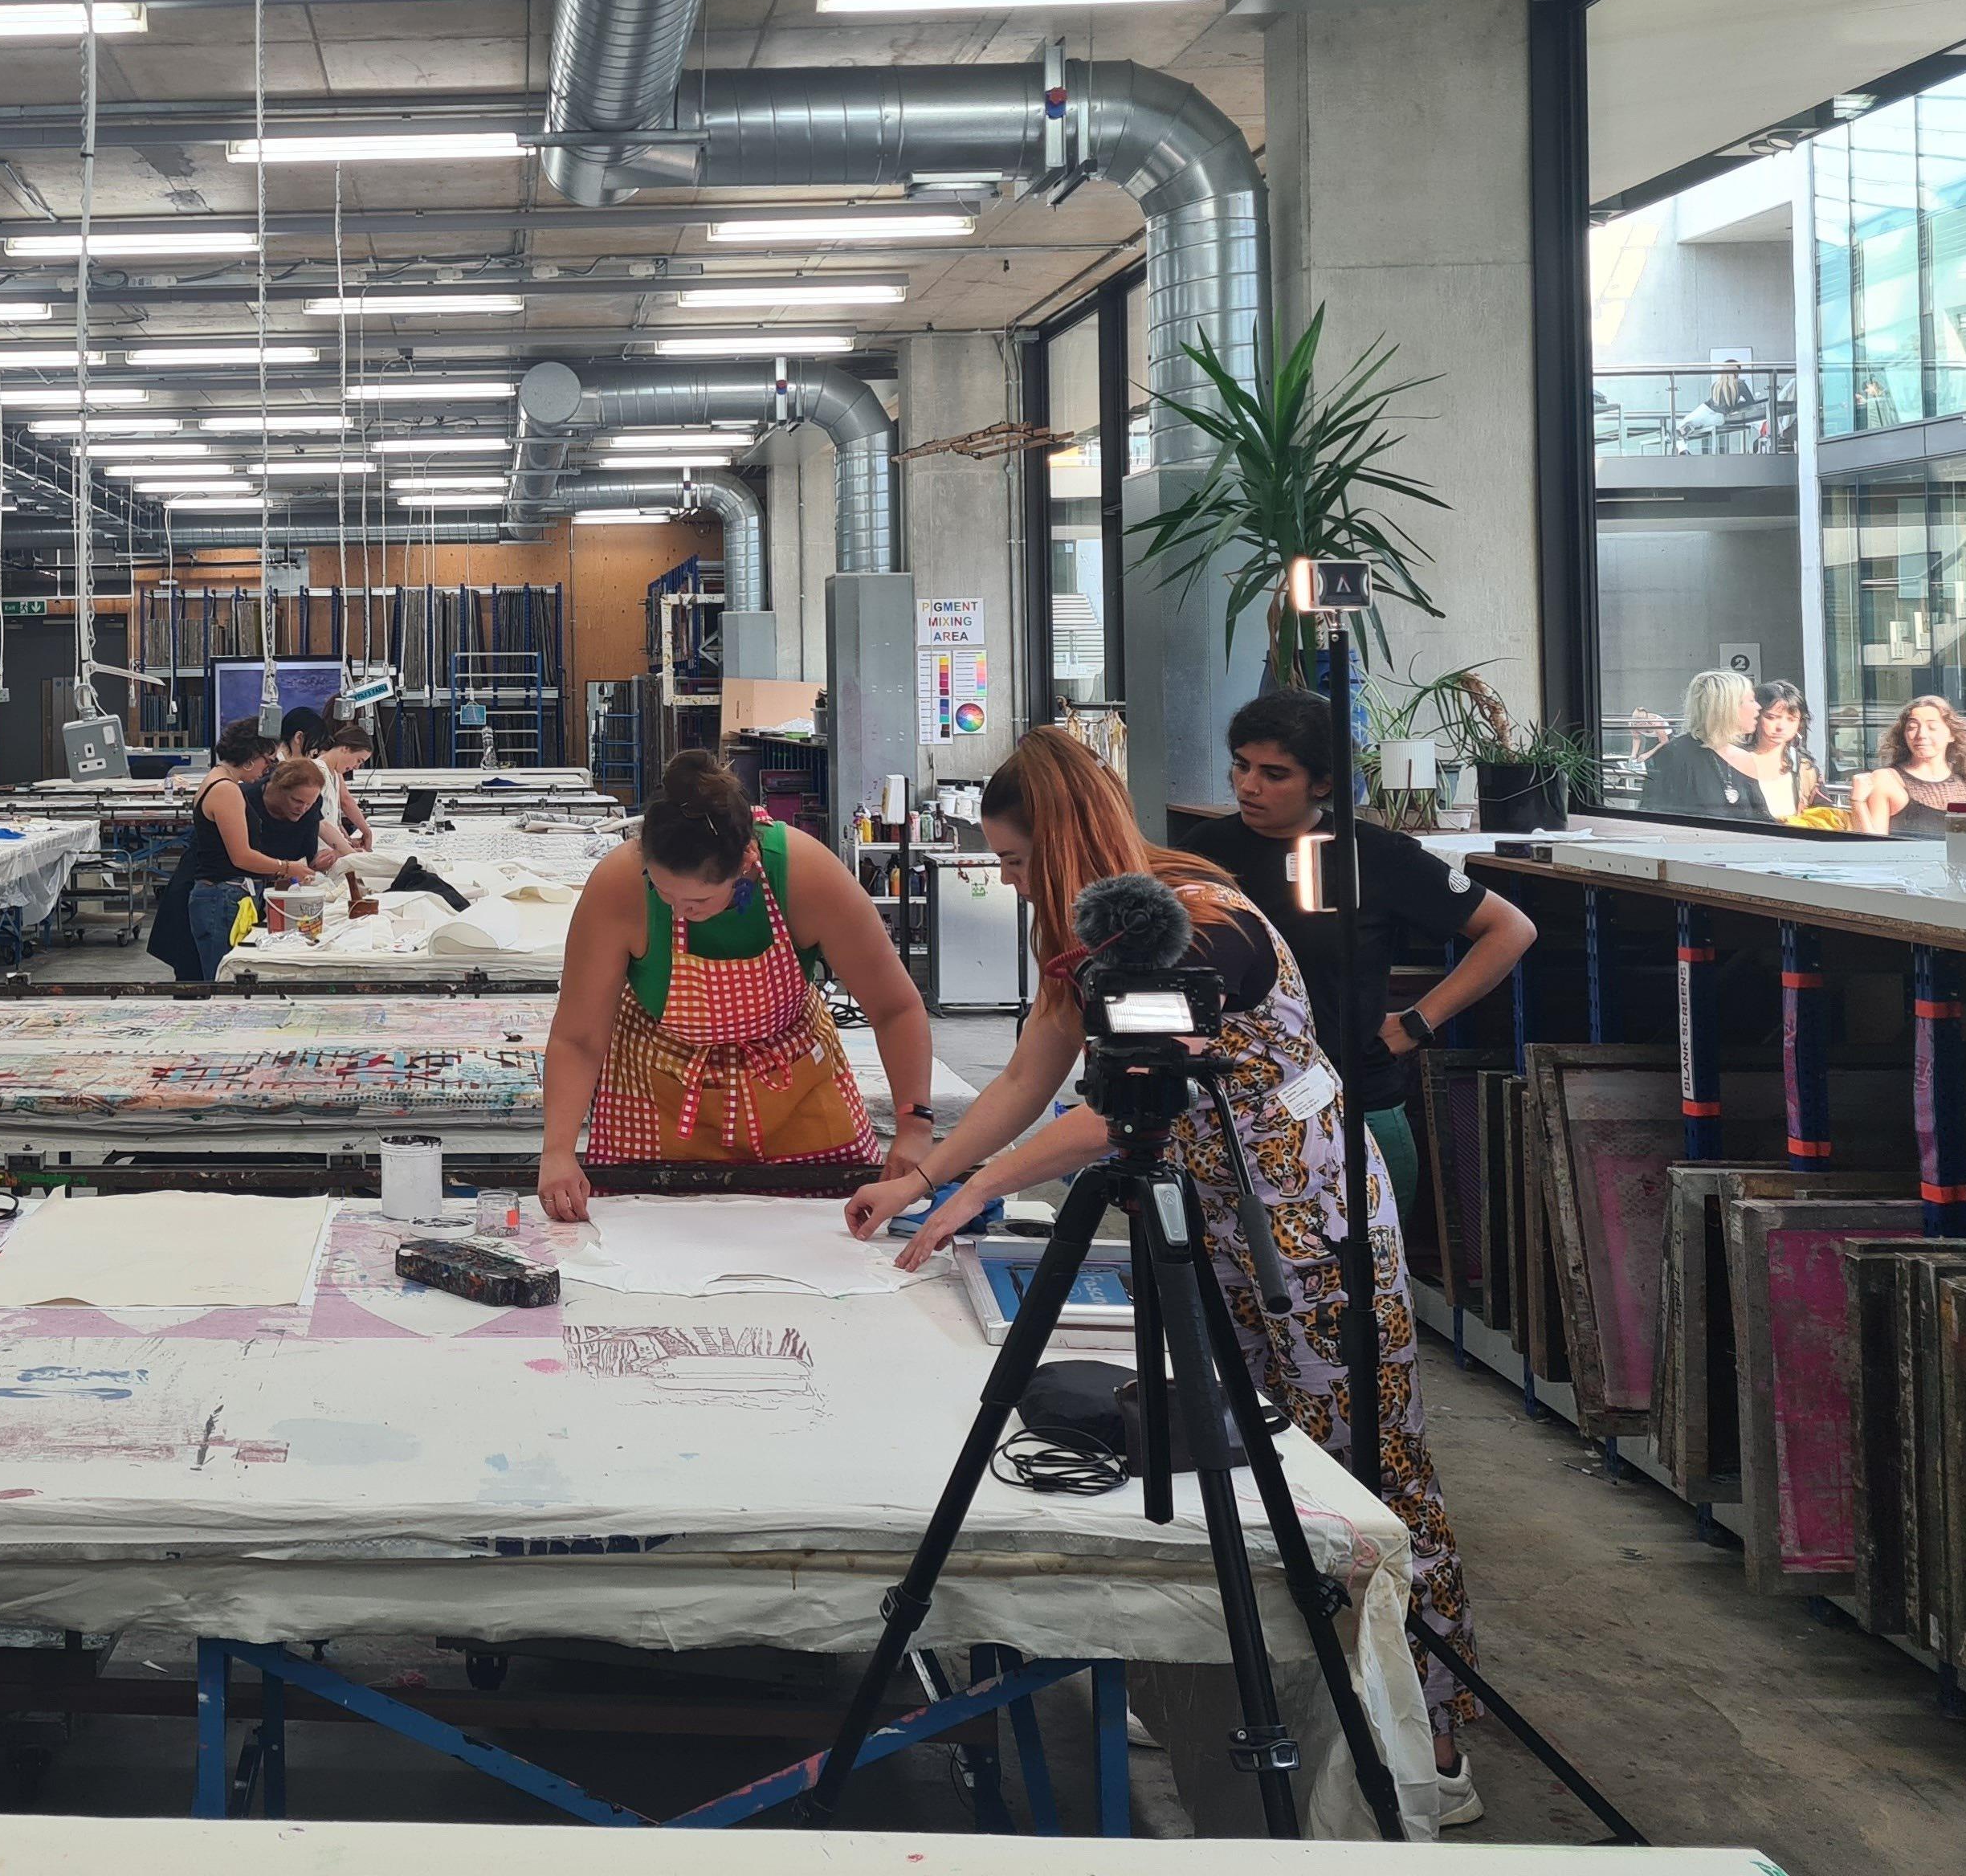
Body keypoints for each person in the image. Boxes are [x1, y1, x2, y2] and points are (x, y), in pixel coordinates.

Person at [842, 727, 1479, 1813]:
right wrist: (925, 1173)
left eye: (1010, 859)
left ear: (1054, 844)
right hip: (1210, 1212)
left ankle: (1430, 1738)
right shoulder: (1081, 935)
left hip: (1308, 1220)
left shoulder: (1198, 915)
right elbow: (1029, 1079)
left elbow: (1098, 1118)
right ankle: (1229, 1663)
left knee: (1367, 1466)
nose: (1001, 879)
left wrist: (979, 1191)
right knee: (1220, 1438)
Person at [1184, 691, 1538, 1221]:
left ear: (1323, 783)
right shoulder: (1201, 852)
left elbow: (1510, 929)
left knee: (1365, 1287)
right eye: (1241, 765)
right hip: (1229, 1107)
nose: (1249, 785)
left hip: (1354, 1105)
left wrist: (1419, 1021)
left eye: (1275, 774)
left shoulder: (1373, 854)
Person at [538, 752, 934, 1216]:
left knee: (826, 1232)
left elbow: (895, 1008)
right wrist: (558, 1150)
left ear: (746, 860)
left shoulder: (809, 877)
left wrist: (914, 1127)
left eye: (699, 899)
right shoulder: (618, 885)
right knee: (650, 1233)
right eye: (663, 891)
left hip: (793, 1084)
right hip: (660, 1091)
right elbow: (579, 1037)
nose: (678, 911)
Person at [148, 719, 323, 980]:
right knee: (222, 981)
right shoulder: (226, 790)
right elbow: (241, 856)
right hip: (222, 896)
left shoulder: (218, 781)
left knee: (218, 977)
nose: (267, 769)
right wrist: (286, 867)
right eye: (268, 760)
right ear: (251, 757)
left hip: (221, 895)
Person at [1636, 669, 1764, 818]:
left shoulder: (1744, 756)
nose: (1758, 707)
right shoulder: (1674, 756)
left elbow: (1761, 817)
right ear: (1727, 707)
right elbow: (1657, 819)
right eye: (1751, 700)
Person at [1850, 695, 1966, 835]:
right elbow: (1871, 847)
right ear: (1903, 735)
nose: (1922, 734)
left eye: (1932, 727)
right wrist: (1858, 802)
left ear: (1952, 735)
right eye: (1912, 728)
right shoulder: (1887, 780)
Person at [1739, 678, 1828, 823]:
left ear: (1800, 723)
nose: (1781, 726)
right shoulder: (1733, 761)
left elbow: (1824, 814)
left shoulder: (1806, 770)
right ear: (1755, 716)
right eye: (1772, 718)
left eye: (1791, 719)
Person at [311, 720, 377, 853]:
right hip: (321, 853)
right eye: (358, 760)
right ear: (346, 748)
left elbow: (337, 818)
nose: (356, 767)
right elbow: (321, 822)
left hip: (333, 850)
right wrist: (348, 850)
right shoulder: (316, 771)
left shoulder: (335, 772)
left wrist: (348, 841)